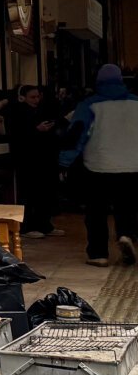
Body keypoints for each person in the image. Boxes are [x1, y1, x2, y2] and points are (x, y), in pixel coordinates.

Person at [69, 64, 138, 267]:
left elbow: (77, 135)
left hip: (97, 166)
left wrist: (64, 160)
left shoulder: (88, 105)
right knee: (127, 207)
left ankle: (98, 253)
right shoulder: (136, 104)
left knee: (96, 211)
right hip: (132, 164)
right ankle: (126, 235)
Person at [4, 86, 62, 239]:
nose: (36, 100)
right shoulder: (17, 112)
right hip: (27, 159)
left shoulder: (41, 110)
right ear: (23, 97)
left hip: (43, 157)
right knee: (29, 193)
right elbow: (17, 135)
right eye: (32, 97)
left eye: (38, 97)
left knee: (44, 193)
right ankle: (27, 226)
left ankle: (44, 224)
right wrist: (37, 130)